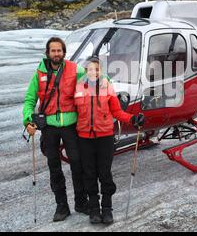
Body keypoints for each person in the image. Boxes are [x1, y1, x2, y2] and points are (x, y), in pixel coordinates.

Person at [23, 37, 88, 222]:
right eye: (53, 51)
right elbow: (29, 100)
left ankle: (81, 202)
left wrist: (105, 80)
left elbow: (94, 78)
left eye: (59, 50)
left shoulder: (75, 69)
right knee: (54, 167)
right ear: (48, 53)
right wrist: (28, 120)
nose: (56, 54)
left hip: (71, 125)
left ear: (64, 52)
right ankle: (62, 206)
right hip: (49, 127)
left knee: (77, 163)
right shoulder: (39, 73)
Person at [75, 56, 145, 225]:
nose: (93, 72)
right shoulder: (78, 88)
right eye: (90, 69)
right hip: (84, 138)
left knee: (104, 173)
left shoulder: (107, 87)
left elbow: (116, 111)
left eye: (97, 69)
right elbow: (71, 111)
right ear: (85, 71)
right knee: (89, 174)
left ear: (101, 71)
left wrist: (132, 119)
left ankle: (107, 208)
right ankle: (94, 209)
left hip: (105, 136)